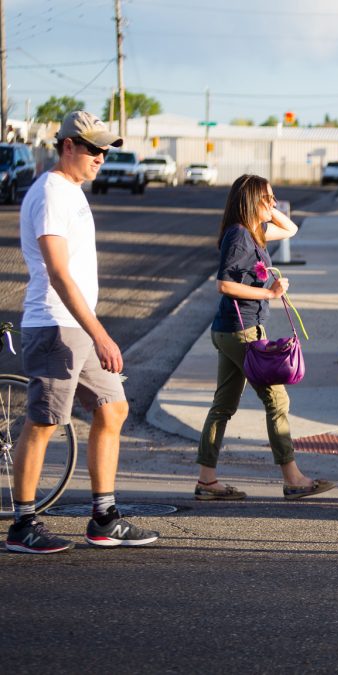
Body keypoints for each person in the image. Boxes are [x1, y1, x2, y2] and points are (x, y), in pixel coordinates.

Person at [6, 111, 159, 553]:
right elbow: (57, 273)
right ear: (68, 145)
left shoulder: (70, 191)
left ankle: (103, 519)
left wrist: (92, 331)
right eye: (93, 148)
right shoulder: (52, 192)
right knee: (44, 421)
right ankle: (22, 524)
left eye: (105, 149)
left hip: (77, 325)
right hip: (56, 325)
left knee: (113, 409)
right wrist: (101, 333)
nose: (101, 157)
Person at [194, 175, 334, 501]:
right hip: (240, 331)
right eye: (266, 199)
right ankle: (294, 479)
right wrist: (269, 293)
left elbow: (291, 229)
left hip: (232, 330)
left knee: (223, 406)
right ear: (250, 201)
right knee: (277, 401)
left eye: (273, 198)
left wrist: (270, 208)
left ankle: (207, 481)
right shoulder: (240, 237)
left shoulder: (254, 233)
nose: (272, 203)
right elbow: (224, 285)